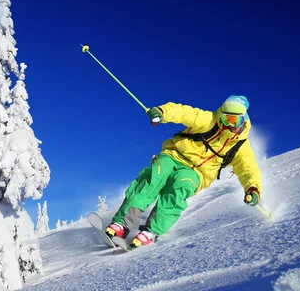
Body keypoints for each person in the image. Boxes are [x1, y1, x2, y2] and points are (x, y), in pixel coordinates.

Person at [105, 95, 263, 249]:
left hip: (197, 173)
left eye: (235, 120)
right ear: (220, 116)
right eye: (226, 119)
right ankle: (122, 223)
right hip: (174, 155)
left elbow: (248, 169)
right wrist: (162, 112)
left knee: (179, 190)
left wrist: (253, 188)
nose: (229, 125)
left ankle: (151, 231)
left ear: (244, 119)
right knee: (154, 177)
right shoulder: (208, 120)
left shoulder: (241, 148)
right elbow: (183, 112)